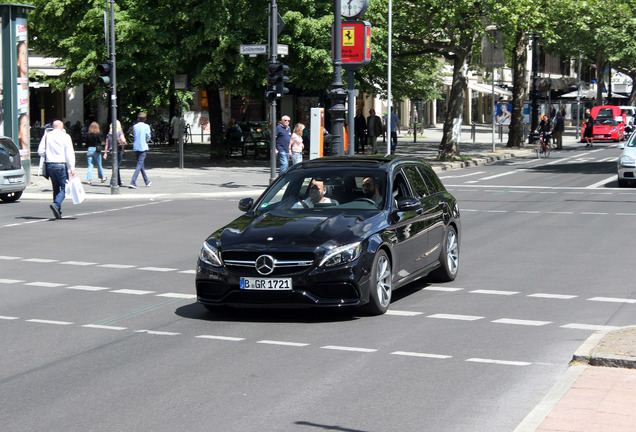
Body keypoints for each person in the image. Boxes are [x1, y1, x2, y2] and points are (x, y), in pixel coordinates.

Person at [37, 120, 76, 219]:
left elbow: (40, 151)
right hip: (60, 163)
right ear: (62, 128)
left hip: (49, 164)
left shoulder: (47, 136)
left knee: (55, 187)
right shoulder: (65, 137)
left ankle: (57, 211)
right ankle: (56, 204)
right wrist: (72, 167)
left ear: (52, 127)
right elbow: (69, 153)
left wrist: (48, 156)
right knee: (65, 188)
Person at [129, 112, 152, 188]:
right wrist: (148, 139)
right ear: (145, 119)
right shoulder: (146, 126)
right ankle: (133, 181)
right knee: (139, 164)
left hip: (136, 146)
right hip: (143, 147)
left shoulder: (135, 126)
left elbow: (134, 134)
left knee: (140, 164)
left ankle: (147, 181)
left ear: (138, 119)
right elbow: (148, 137)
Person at [104, 120, 127, 187]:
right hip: (118, 150)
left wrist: (105, 153)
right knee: (116, 166)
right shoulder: (120, 132)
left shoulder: (109, 134)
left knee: (117, 166)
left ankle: (119, 181)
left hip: (111, 151)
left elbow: (106, 144)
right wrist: (124, 144)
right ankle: (112, 182)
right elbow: (123, 140)